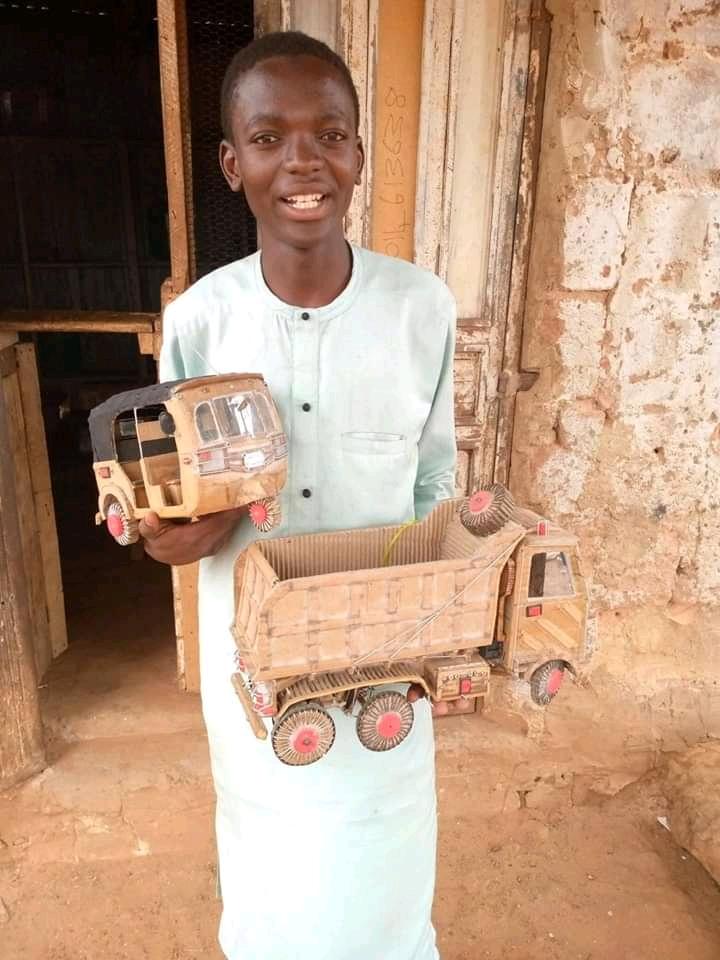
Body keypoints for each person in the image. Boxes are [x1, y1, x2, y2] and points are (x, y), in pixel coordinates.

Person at [140, 31, 457, 960]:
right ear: (231, 164)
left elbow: (433, 479)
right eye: (269, 138)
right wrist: (172, 536)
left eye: (330, 134)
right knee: (272, 873)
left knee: (385, 862)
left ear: (358, 152)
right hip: (255, 669)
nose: (303, 162)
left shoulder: (422, 309)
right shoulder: (200, 322)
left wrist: (445, 608)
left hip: (385, 658)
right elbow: (169, 504)